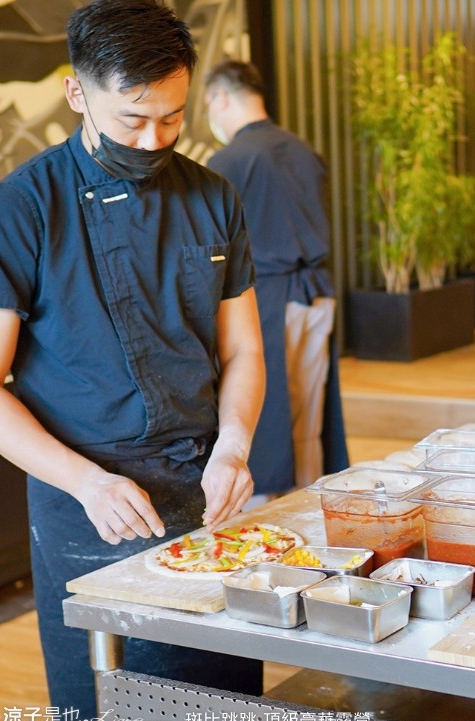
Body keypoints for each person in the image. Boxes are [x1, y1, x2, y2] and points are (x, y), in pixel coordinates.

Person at [0, 1, 267, 721]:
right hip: (89, 501)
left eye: (172, 118)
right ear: (77, 93)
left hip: (205, 489)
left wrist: (234, 445)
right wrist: (86, 483)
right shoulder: (16, 210)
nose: (153, 138)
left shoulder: (213, 197)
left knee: (224, 719)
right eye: (133, 119)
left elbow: (243, 353)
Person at [204, 60, 348, 497]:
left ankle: (274, 517)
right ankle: (311, 504)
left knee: (268, 414)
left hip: (267, 298)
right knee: (308, 412)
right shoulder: (302, 150)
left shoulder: (229, 160)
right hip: (317, 295)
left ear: (221, 98)